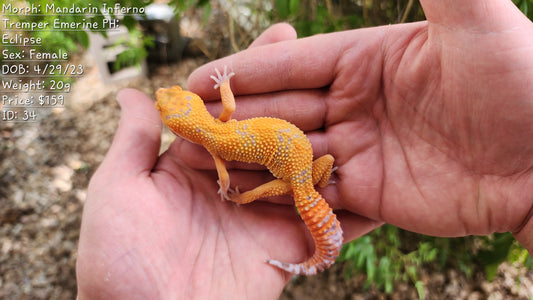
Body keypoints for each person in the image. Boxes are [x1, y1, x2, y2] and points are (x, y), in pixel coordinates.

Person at [76, 0, 533, 298]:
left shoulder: (214, 145)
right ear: (193, 113)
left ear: (188, 118)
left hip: (301, 176)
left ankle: (306, 239)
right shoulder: (217, 126)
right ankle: (313, 243)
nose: (168, 95)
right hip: (307, 171)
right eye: (168, 103)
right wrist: (225, 85)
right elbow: (229, 110)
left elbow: (223, 174)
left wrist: (233, 194)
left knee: (260, 188)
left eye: (173, 97)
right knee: (287, 180)